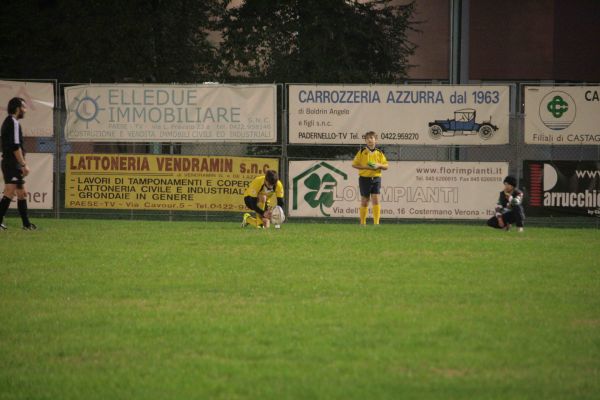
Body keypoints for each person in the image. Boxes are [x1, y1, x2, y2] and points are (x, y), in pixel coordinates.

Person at [0, 97, 36, 231]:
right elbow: (15, 146)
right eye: (24, 107)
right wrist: (23, 164)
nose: (25, 110)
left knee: (22, 193)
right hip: (11, 163)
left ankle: (26, 225)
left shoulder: (9, 122)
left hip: (12, 163)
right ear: (17, 108)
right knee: (10, 192)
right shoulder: (13, 122)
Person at [352, 131, 388, 225]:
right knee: (365, 200)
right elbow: (354, 165)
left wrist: (378, 165)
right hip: (364, 178)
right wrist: (366, 167)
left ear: (376, 140)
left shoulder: (379, 153)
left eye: (371, 138)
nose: (369, 140)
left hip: (376, 178)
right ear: (365, 141)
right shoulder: (361, 152)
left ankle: (376, 223)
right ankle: (362, 223)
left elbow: (386, 166)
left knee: (376, 199)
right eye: (367, 138)